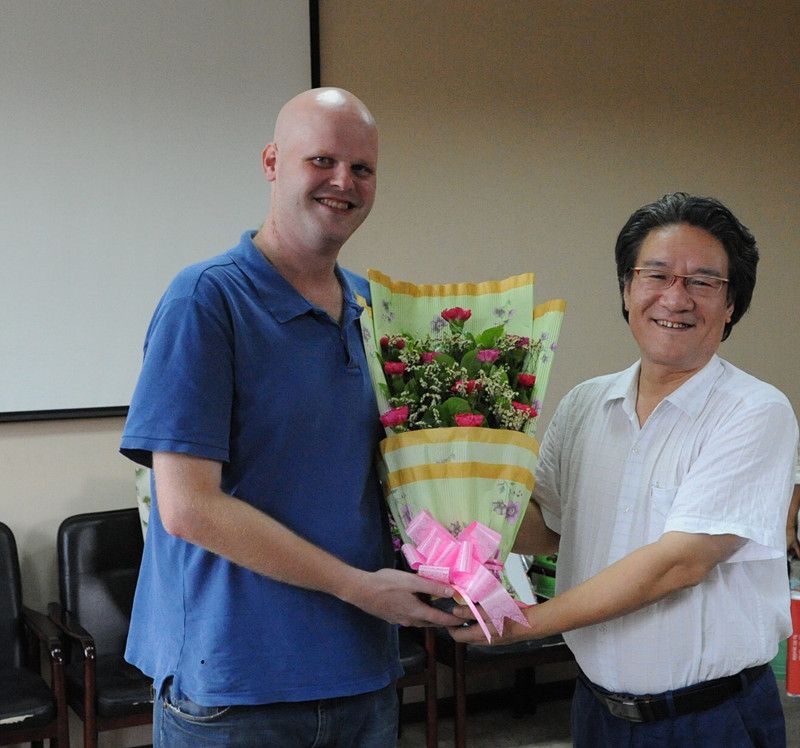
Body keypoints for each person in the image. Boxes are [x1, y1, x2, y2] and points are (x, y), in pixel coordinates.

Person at [120, 87, 460, 747]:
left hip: (360, 671)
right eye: (322, 160)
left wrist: (467, 559)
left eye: (362, 168)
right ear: (272, 163)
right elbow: (189, 508)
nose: (344, 182)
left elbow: (396, 479)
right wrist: (358, 588)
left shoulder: (376, 308)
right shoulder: (206, 300)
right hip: (236, 686)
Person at [450, 192, 799, 746]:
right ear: (626, 289)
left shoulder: (755, 411)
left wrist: (524, 622)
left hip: (708, 720)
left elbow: (679, 563)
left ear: (732, 305)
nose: (675, 298)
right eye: (655, 275)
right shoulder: (585, 404)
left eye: (703, 281)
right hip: (596, 711)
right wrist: (455, 510)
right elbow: (550, 527)